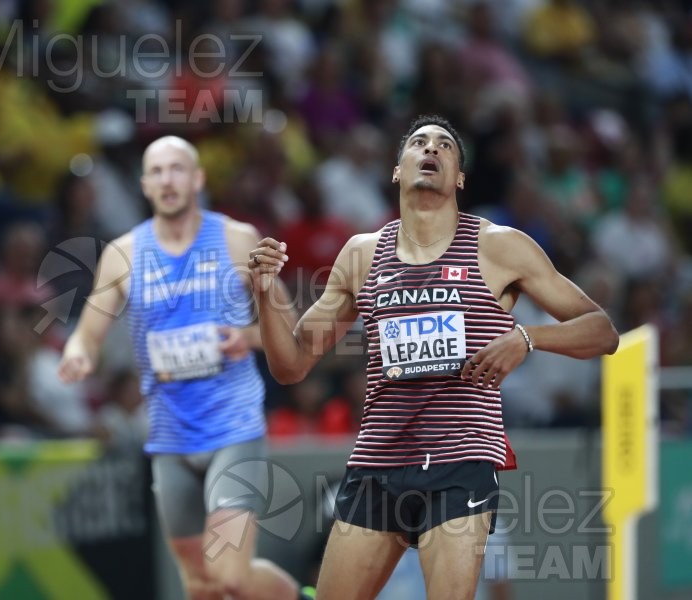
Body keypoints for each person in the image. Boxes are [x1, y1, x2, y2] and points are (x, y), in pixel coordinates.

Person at [248, 114, 619, 600]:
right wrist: (265, 291)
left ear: (460, 177)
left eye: (445, 146)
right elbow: (291, 365)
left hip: (460, 460)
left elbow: (602, 330)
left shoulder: (499, 247)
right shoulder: (362, 254)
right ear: (398, 169)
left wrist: (526, 338)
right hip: (379, 461)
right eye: (419, 143)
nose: (432, 149)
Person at [58, 136, 307, 600]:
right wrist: (78, 352)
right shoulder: (124, 254)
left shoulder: (237, 240)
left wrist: (246, 337)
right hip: (170, 438)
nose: (167, 179)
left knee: (230, 574)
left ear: (197, 178)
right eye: (157, 171)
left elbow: (289, 328)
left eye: (177, 169)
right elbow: (89, 330)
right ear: (144, 184)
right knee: (200, 585)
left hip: (233, 429)